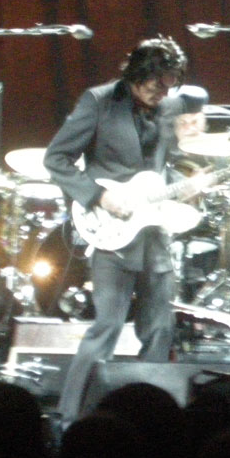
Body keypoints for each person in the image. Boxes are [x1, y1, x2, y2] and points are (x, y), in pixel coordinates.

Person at [44, 36, 207, 425]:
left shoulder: (173, 105)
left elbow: (178, 159)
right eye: (155, 84)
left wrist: (191, 180)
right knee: (107, 327)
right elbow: (57, 158)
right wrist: (97, 196)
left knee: (160, 328)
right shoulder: (98, 101)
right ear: (136, 75)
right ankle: (69, 417)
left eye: (169, 84)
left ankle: (147, 419)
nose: (161, 92)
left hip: (155, 232)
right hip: (112, 231)